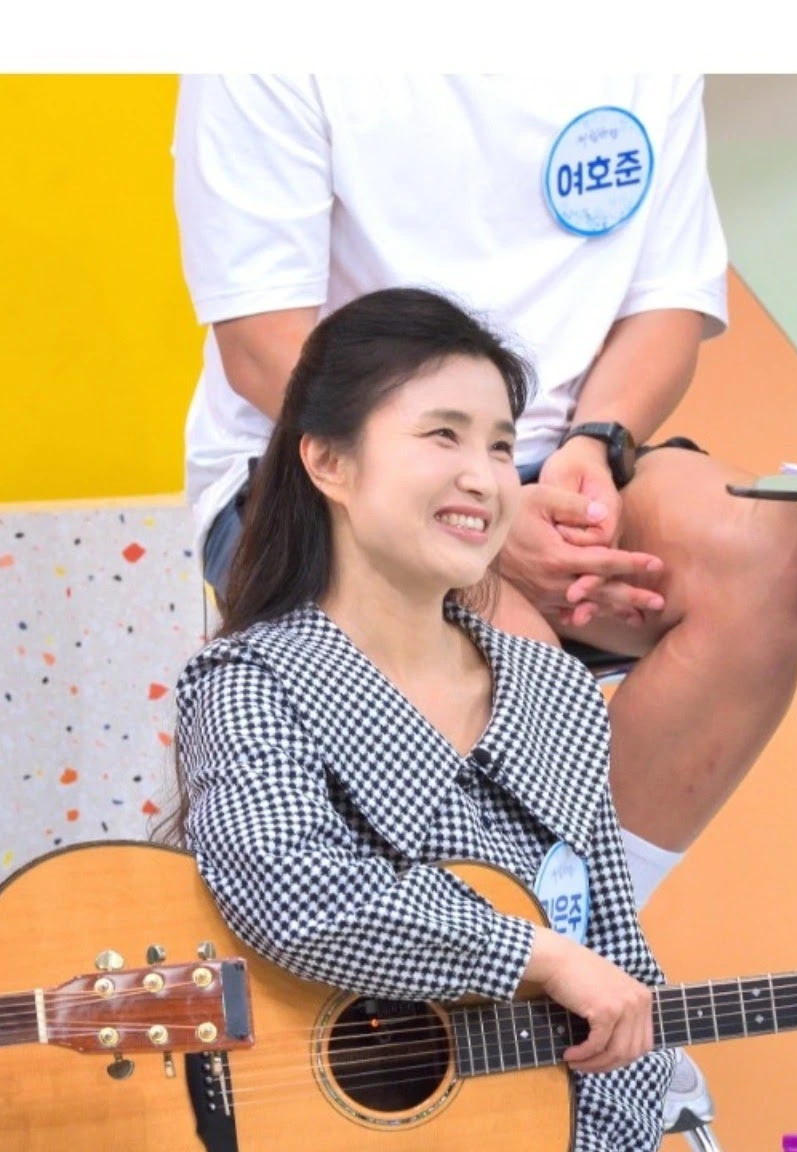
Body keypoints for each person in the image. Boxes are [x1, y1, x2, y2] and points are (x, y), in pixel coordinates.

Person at [174, 75, 797, 917]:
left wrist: (596, 443)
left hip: (559, 454)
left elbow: (667, 304)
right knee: (517, 664)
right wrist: (483, 500)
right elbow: (265, 346)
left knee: (759, 551)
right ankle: (516, 943)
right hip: (333, 462)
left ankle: (575, 922)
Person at [172, 287, 671, 1151]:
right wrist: (537, 956)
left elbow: (618, 973)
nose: (486, 477)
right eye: (444, 435)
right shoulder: (248, 680)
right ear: (328, 462)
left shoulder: (554, 688)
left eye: (503, 445)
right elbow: (292, 888)